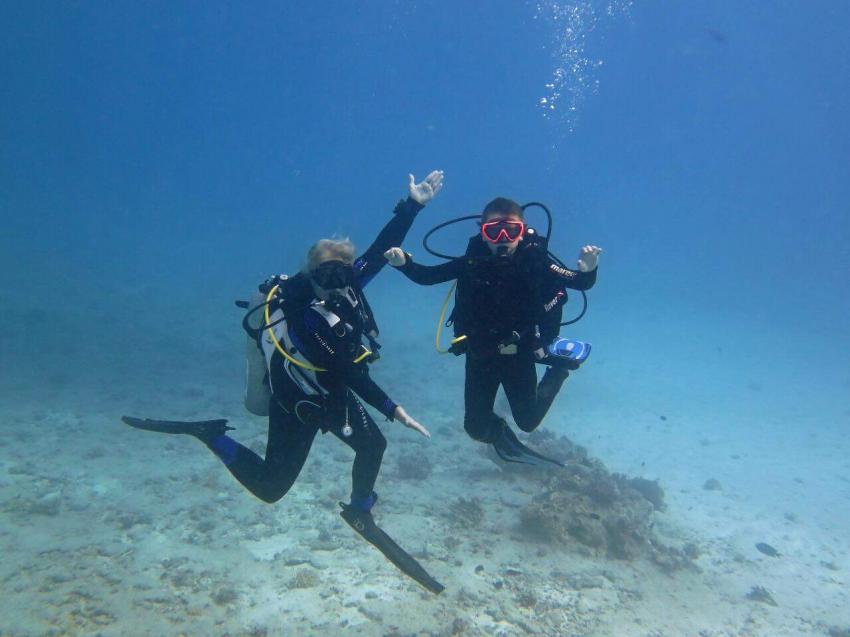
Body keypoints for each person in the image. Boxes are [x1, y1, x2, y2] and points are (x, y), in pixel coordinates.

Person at [123, 171, 446, 594]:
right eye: (327, 273)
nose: (337, 281)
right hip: (296, 401)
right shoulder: (302, 311)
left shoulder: (348, 282)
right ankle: (211, 437)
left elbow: (380, 251)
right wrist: (392, 409)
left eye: (343, 272)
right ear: (310, 272)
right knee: (271, 487)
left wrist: (413, 206)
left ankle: (360, 509)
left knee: (373, 445)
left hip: (329, 391)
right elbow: (345, 370)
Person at [384, 196, 601, 466]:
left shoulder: (536, 261)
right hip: (480, 352)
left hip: (520, 352)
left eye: (511, 230)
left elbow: (579, 282)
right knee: (475, 428)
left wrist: (589, 269)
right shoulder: (471, 262)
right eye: (492, 231)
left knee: (529, 421)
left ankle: (558, 370)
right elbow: (428, 276)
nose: (502, 238)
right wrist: (404, 263)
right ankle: (502, 437)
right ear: (482, 233)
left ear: (522, 232)